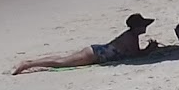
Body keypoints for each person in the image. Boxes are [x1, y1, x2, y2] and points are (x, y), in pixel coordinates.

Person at [12, 13, 158, 74]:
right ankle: (28, 64)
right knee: (61, 62)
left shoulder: (131, 36)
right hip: (93, 55)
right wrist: (150, 50)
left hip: (95, 51)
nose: (145, 27)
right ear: (137, 27)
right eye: (143, 25)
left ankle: (30, 63)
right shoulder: (131, 37)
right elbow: (135, 56)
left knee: (62, 59)